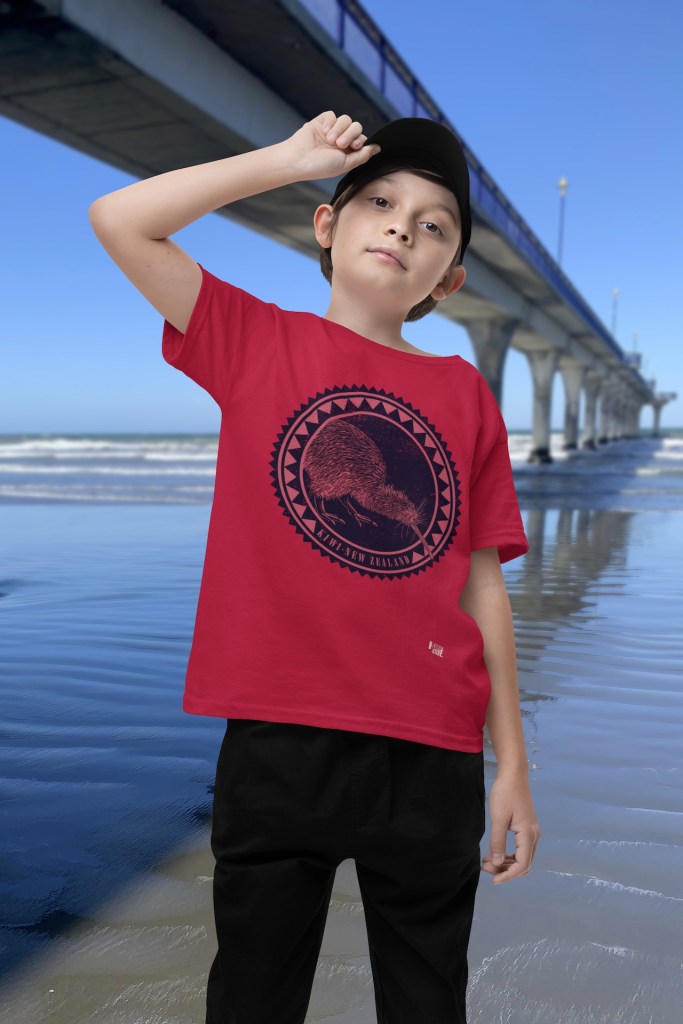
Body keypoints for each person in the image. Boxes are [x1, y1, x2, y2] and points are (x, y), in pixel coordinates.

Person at [89, 110, 541, 1024]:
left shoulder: (464, 393)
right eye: (379, 203)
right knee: (253, 996)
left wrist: (512, 766)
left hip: (432, 749)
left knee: (427, 1001)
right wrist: (288, 160)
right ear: (326, 226)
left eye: (431, 225)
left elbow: (482, 583)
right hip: (279, 739)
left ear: (447, 279)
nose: (401, 229)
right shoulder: (255, 340)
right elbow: (121, 219)